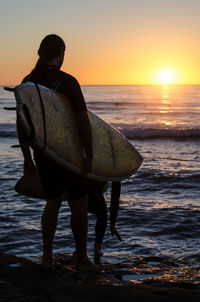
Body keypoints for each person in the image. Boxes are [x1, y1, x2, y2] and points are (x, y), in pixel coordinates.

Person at [17, 34, 98, 272]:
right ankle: (81, 259)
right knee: (79, 203)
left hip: (44, 153)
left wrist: (27, 157)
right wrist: (90, 153)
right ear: (62, 53)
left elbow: (21, 122)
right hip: (70, 154)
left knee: (52, 201)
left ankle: (46, 259)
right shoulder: (68, 81)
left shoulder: (27, 82)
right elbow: (83, 120)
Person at [87, 180, 121, 264]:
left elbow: (115, 196)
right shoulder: (115, 169)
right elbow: (115, 196)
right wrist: (112, 223)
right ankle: (95, 248)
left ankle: (86, 249)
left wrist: (112, 223)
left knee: (101, 212)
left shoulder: (116, 170)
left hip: (85, 187)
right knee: (102, 212)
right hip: (84, 185)